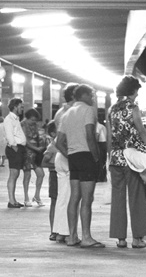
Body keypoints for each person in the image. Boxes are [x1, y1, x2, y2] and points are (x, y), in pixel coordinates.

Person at [108, 75, 146, 249]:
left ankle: (120, 239)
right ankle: (137, 238)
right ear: (132, 90)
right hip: (131, 159)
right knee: (137, 198)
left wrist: (109, 156)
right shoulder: (132, 107)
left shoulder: (112, 109)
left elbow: (111, 136)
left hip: (115, 158)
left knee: (117, 198)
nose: (137, 95)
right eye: (136, 92)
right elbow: (141, 130)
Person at [56, 84, 104, 248]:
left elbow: (58, 142)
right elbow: (90, 135)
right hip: (86, 156)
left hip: (74, 157)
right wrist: (96, 158)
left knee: (74, 197)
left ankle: (72, 237)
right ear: (84, 95)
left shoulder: (67, 113)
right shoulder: (88, 110)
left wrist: (70, 154)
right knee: (87, 199)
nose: (92, 99)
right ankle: (86, 237)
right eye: (91, 96)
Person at [52, 83, 77, 244]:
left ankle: (59, 231)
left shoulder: (59, 112)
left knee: (62, 197)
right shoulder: (70, 112)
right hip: (67, 156)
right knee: (69, 197)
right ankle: (67, 233)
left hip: (59, 157)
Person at [3, 97, 26, 208]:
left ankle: (13, 200)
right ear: (15, 107)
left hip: (18, 148)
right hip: (14, 149)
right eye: (21, 107)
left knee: (15, 175)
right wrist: (15, 147)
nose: (22, 109)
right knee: (13, 174)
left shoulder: (16, 119)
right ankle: (11, 201)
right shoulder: (9, 119)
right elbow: (9, 135)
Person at [20, 108, 46, 207]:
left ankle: (37, 196)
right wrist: (35, 147)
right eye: (32, 120)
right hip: (26, 152)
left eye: (35, 120)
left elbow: (38, 136)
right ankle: (26, 198)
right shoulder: (22, 125)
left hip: (36, 153)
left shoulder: (35, 125)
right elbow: (24, 140)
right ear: (27, 118)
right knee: (27, 175)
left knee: (41, 174)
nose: (34, 122)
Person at [41, 120, 59, 240]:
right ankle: (53, 230)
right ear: (53, 133)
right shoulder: (52, 147)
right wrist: (56, 167)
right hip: (55, 176)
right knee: (54, 203)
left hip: (61, 176)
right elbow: (43, 162)